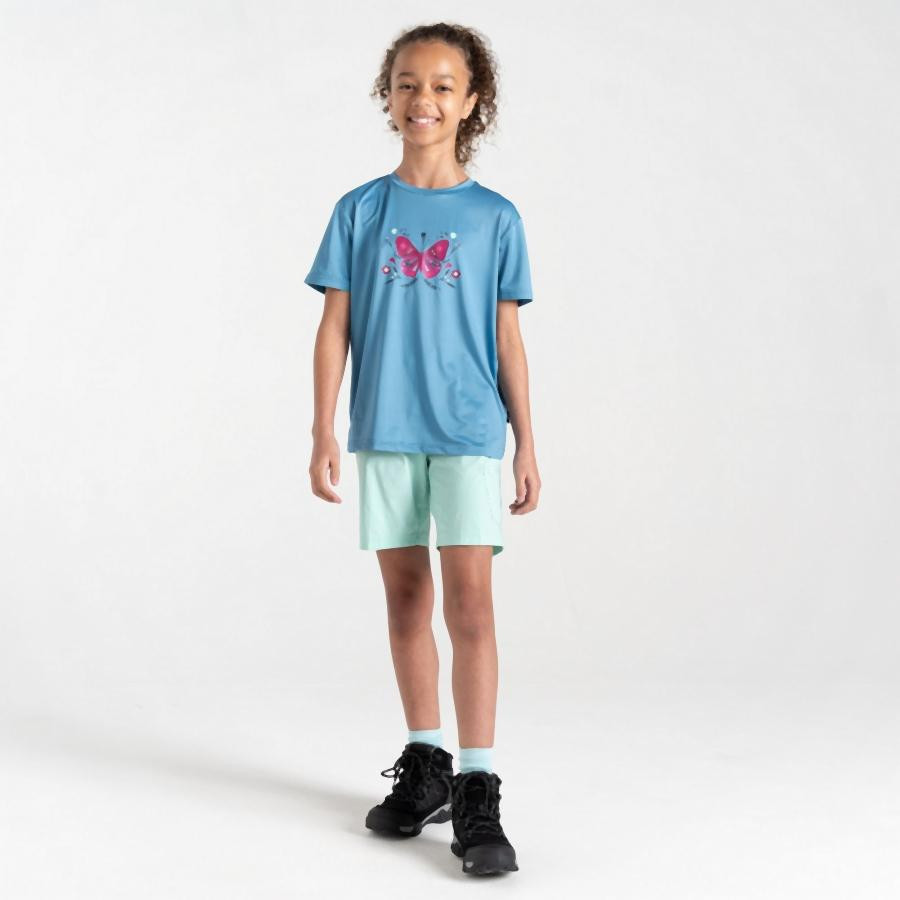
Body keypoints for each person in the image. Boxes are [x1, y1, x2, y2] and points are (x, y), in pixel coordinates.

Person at [304, 22, 540, 876]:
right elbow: (334, 327)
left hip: (469, 432)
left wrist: (526, 441)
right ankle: (427, 760)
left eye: (443, 86)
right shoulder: (361, 211)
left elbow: (507, 338)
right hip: (386, 430)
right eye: (408, 83)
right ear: (388, 94)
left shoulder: (495, 218)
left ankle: (478, 784)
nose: (423, 99)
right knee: (406, 600)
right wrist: (323, 429)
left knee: (470, 607)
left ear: (472, 102)